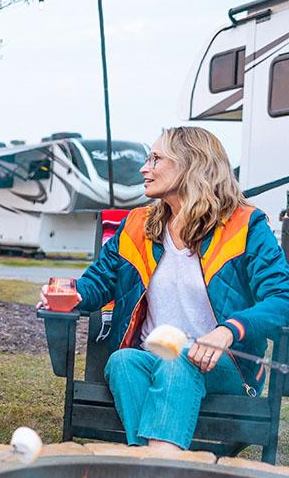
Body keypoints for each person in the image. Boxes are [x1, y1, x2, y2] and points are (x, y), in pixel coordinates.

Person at [40, 126, 289, 451]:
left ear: (191, 165)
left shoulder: (245, 225)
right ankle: (156, 472)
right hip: (151, 356)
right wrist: (71, 293)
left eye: (156, 159)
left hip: (227, 366)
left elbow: (282, 298)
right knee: (122, 362)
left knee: (179, 359)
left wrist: (227, 331)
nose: (145, 168)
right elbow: (98, 282)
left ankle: (158, 473)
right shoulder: (137, 225)